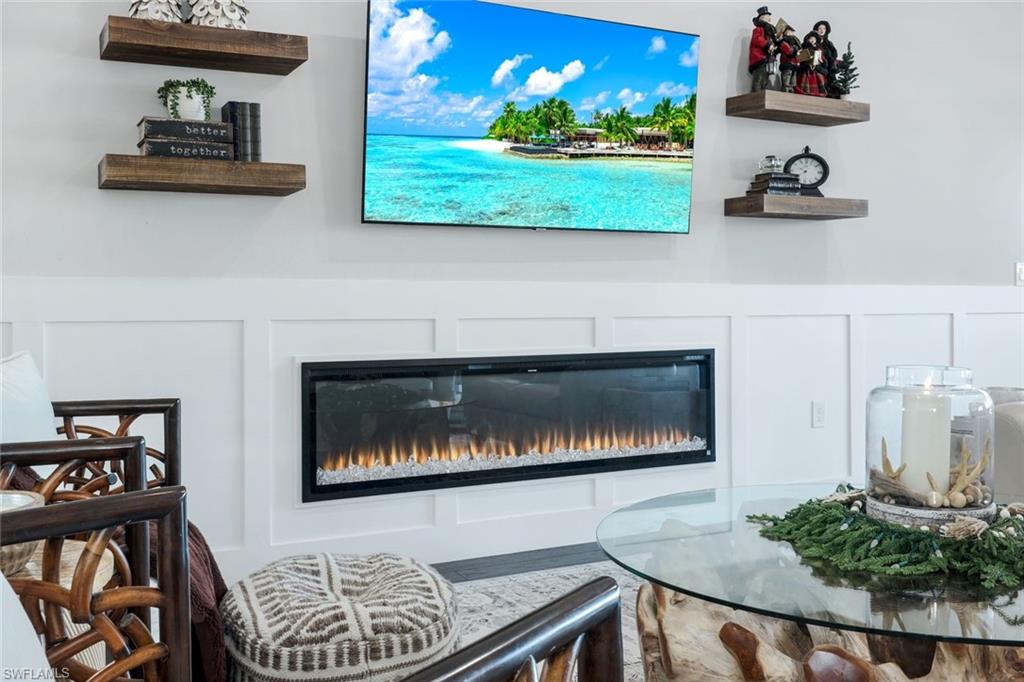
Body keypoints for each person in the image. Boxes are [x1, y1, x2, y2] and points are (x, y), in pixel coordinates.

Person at [748, 6, 777, 92]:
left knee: (764, 80)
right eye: (767, 16)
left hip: (766, 58)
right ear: (762, 18)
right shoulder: (758, 29)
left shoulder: (768, 31)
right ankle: (756, 94)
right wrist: (768, 45)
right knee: (759, 78)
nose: (769, 19)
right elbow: (757, 39)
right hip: (759, 58)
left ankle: (761, 93)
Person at [795, 32, 827, 97]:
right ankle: (806, 90)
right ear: (808, 40)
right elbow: (800, 58)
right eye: (811, 39)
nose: (813, 40)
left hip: (815, 68)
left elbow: (822, 59)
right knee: (805, 77)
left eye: (814, 39)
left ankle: (816, 91)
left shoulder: (818, 49)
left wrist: (821, 60)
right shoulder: (804, 47)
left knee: (818, 77)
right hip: (806, 68)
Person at [813, 20, 839, 96]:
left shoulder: (829, 43)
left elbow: (834, 54)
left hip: (829, 66)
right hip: (818, 65)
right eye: (820, 28)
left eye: (823, 28)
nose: (822, 30)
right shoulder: (814, 42)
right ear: (816, 30)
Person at [777, 25, 801, 93]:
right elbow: (788, 50)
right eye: (789, 31)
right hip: (787, 63)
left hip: (795, 64)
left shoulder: (796, 42)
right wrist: (795, 51)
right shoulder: (783, 41)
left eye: (791, 32)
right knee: (786, 81)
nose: (790, 33)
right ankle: (786, 92)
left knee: (793, 82)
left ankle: (791, 92)